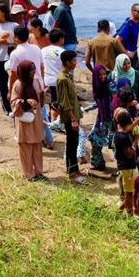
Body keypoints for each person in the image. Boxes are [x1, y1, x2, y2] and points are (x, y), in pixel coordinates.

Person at [7, 26, 54, 149]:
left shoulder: (15, 53)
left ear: (16, 38)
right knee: (40, 112)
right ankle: (48, 140)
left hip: (24, 85)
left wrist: (10, 90)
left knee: (22, 111)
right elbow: (42, 66)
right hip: (37, 83)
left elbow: (12, 75)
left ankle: (24, 136)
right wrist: (42, 82)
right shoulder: (36, 48)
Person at [110, 53, 139, 156]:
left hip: (136, 110)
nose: (126, 66)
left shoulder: (136, 74)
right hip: (123, 111)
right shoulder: (113, 75)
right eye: (124, 64)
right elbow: (112, 94)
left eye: (128, 63)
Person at [9, 60, 46, 181]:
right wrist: (25, 101)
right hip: (25, 119)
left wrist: (42, 94)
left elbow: (39, 96)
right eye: (31, 70)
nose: (34, 71)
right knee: (26, 146)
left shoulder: (35, 81)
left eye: (34, 69)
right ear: (24, 71)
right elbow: (14, 102)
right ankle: (28, 174)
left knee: (37, 145)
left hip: (35, 118)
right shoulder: (18, 85)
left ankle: (39, 172)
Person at [56, 50, 84, 183]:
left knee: (75, 143)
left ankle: (75, 169)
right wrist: (73, 119)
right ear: (67, 62)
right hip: (70, 117)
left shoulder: (67, 76)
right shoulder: (62, 79)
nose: (75, 63)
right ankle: (71, 172)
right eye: (73, 61)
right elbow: (64, 102)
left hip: (75, 115)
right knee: (71, 145)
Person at [87, 65, 114, 170]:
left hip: (111, 120)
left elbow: (116, 97)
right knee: (94, 140)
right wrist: (87, 108)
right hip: (101, 120)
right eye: (100, 75)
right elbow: (98, 103)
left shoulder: (110, 84)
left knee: (115, 144)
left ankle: (124, 169)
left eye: (104, 74)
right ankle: (98, 163)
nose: (103, 77)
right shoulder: (98, 88)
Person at [114, 110, 137, 216]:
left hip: (126, 167)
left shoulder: (118, 133)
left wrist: (135, 124)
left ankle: (119, 211)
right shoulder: (122, 138)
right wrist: (135, 141)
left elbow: (126, 129)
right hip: (127, 168)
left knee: (131, 192)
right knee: (129, 194)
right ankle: (130, 216)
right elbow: (129, 154)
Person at [41, 28, 65, 123]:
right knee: (57, 102)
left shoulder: (43, 50)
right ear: (60, 39)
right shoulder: (62, 52)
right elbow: (65, 68)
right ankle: (55, 122)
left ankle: (52, 118)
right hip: (57, 80)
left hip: (46, 80)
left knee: (51, 102)